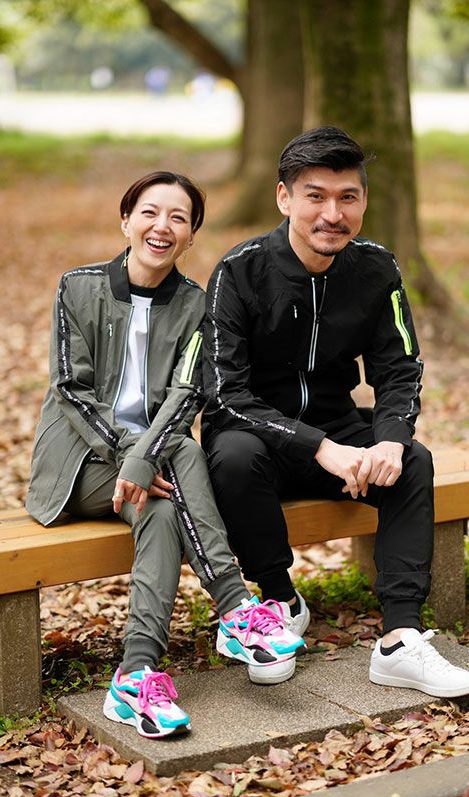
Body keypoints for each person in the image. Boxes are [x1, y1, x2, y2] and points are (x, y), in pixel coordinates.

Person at [201, 127, 469, 698]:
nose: (333, 214)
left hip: (338, 423)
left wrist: (390, 440)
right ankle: (278, 603)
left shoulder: (377, 269)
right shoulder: (240, 270)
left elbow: (399, 368)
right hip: (259, 439)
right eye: (316, 196)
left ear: (363, 201)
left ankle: (400, 638)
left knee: (414, 461)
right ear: (284, 198)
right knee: (232, 454)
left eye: (347, 197)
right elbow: (225, 394)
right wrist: (320, 448)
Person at [26, 171, 304, 739]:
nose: (163, 226)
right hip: (79, 466)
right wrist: (133, 454)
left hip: (151, 472)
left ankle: (135, 675)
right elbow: (72, 390)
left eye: (179, 217)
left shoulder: (196, 305)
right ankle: (234, 605)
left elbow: (187, 394)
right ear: (126, 220)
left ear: (191, 235)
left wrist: (144, 459)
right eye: (150, 212)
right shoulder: (78, 287)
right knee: (183, 452)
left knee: (160, 507)